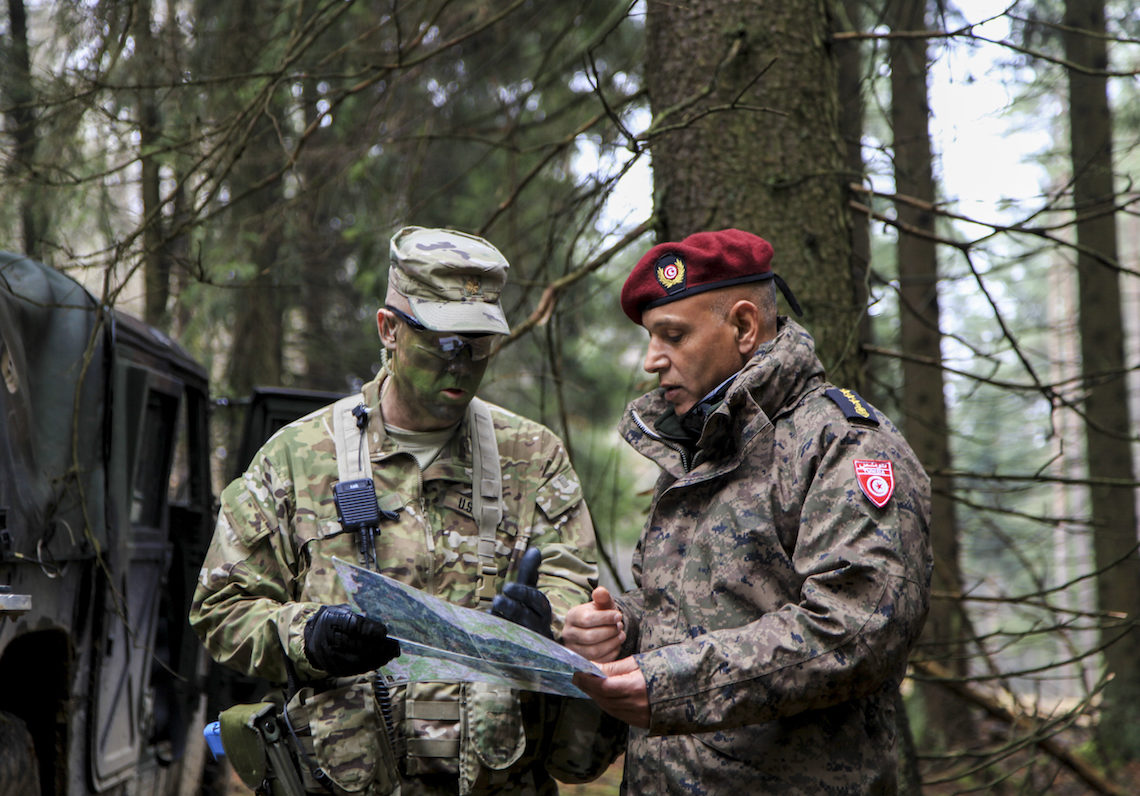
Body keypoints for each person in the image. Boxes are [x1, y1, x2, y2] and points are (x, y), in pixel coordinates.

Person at [190, 226, 604, 795]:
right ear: (389, 329)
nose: (462, 363)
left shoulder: (532, 457)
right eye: (443, 341)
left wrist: (543, 623)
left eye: (478, 343)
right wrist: (305, 637)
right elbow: (220, 607)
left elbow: (578, 600)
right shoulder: (297, 457)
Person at [562, 228, 933, 793]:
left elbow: (858, 628)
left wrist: (667, 683)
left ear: (742, 327)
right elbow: (687, 611)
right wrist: (621, 627)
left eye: (672, 335)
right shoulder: (695, 455)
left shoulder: (844, 444)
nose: (650, 361)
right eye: (650, 338)